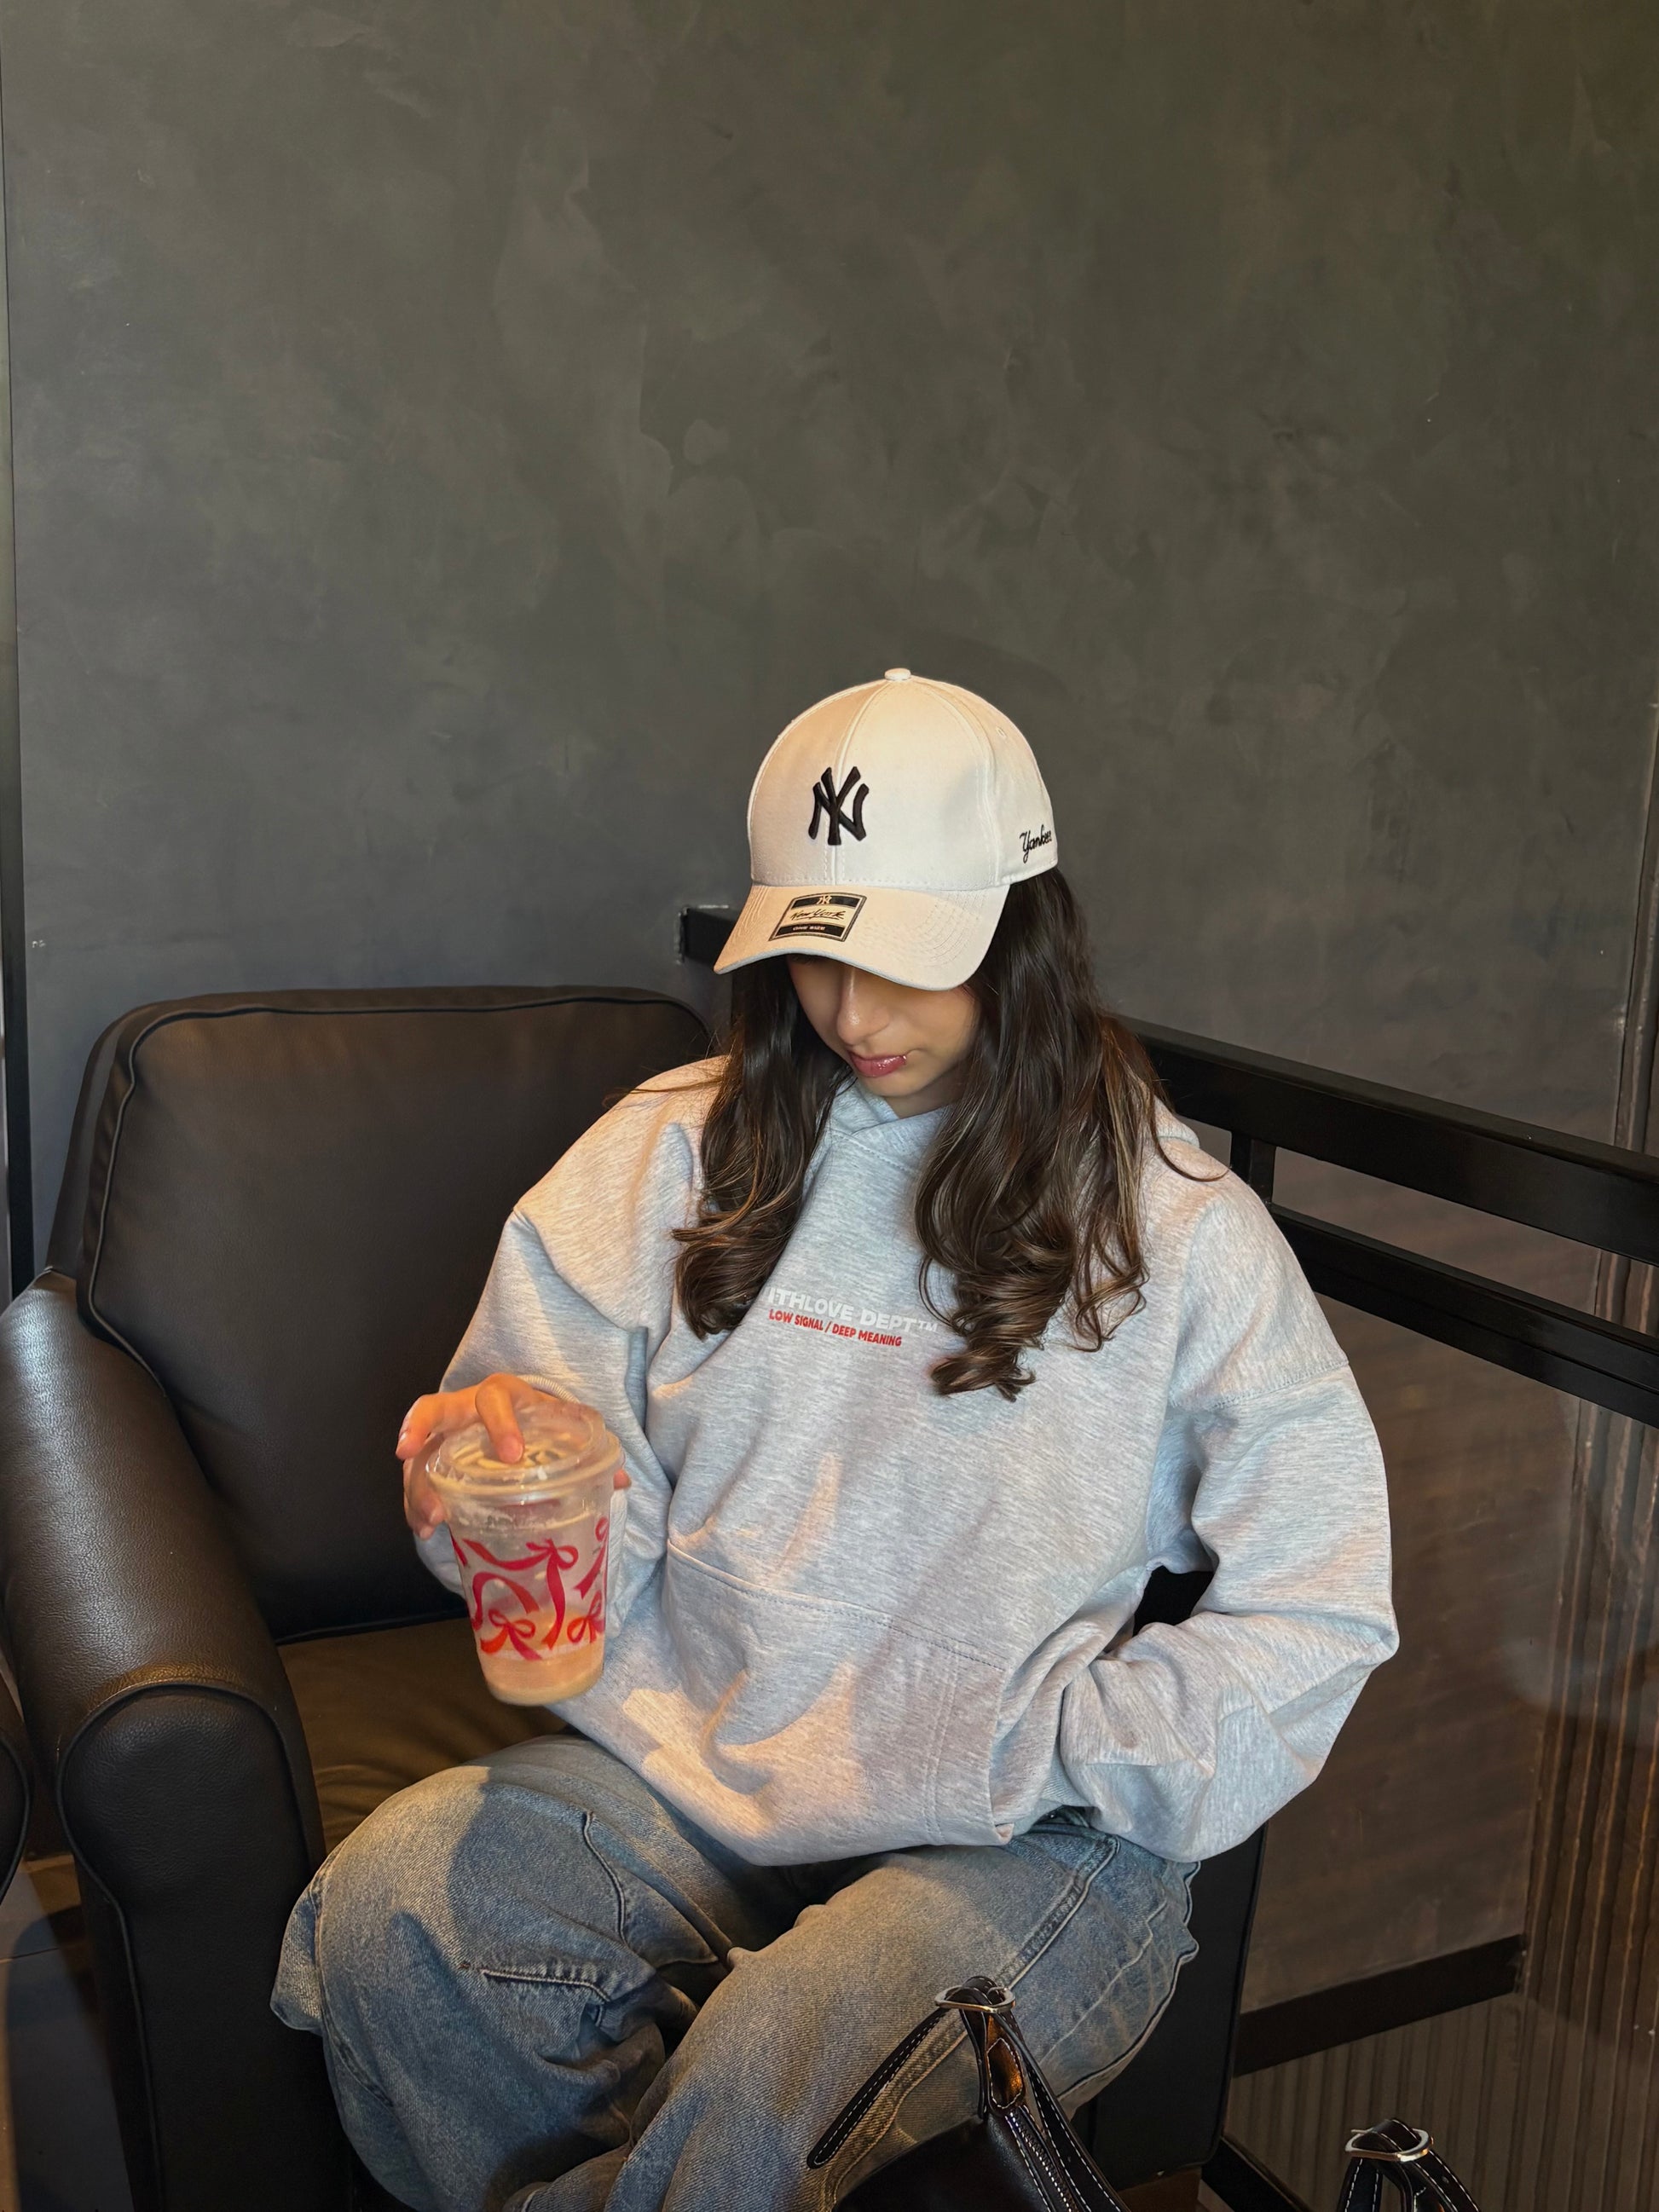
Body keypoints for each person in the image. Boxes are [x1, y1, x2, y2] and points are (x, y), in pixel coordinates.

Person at [273, 670, 1397, 2212]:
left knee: (772, 2066)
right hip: (691, 1782)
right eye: (813, 954)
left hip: (1022, 1844)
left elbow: (1320, 1602)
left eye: (903, 960)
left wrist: (1081, 1748)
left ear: (1019, 931)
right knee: (400, 1913)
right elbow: (549, 1528)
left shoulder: (1174, 1230)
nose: (853, 1016)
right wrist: (487, 1495)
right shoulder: (665, 1155)